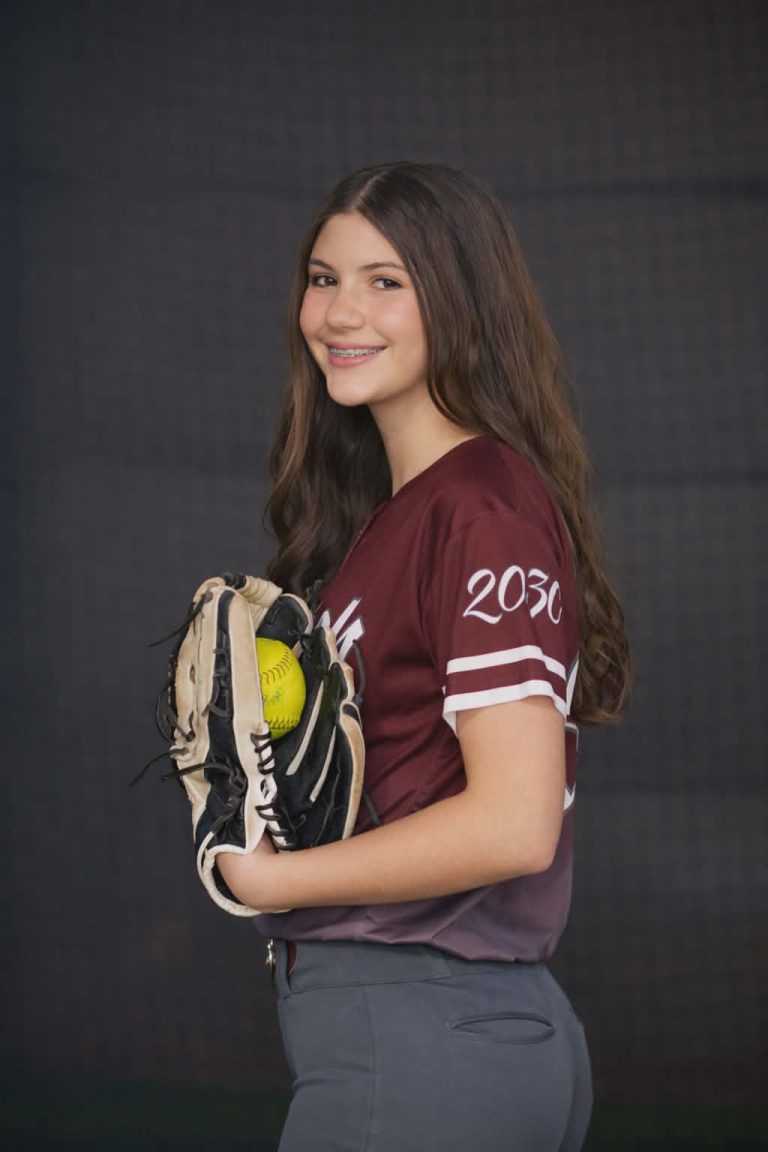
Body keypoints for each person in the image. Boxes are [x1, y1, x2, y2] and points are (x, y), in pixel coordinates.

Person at [216, 161, 630, 1152]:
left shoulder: (479, 504)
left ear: (459, 299)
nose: (340, 312)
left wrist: (272, 880)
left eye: (385, 281)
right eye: (324, 278)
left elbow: (515, 823)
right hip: (430, 1037)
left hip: (425, 1035)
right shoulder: (394, 522)